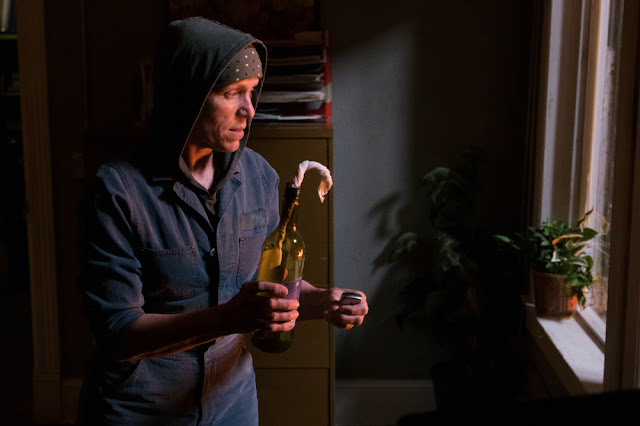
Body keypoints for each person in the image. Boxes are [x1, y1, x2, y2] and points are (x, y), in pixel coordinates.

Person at [77, 17, 368, 425]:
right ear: (187, 96)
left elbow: (267, 287)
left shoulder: (259, 176)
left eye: (252, 91)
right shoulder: (118, 191)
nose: (249, 110)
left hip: (232, 404)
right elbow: (118, 333)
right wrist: (229, 318)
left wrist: (323, 301)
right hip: (140, 409)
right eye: (232, 93)